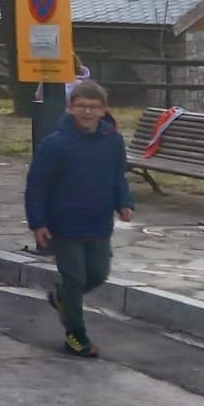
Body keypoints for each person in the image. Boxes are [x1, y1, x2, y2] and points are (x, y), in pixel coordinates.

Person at [27, 79, 135, 359]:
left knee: (97, 274)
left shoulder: (113, 141)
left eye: (94, 107)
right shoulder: (55, 144)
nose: (87, 112)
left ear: (104, 110)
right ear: (70, 107)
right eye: (81, 106)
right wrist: (38, 223)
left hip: (98, 222)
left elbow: (118, 177)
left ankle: (62, 298)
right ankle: (76, 336)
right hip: (63, 225)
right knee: (75, 278)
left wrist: (124, 203)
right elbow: (37, 186)